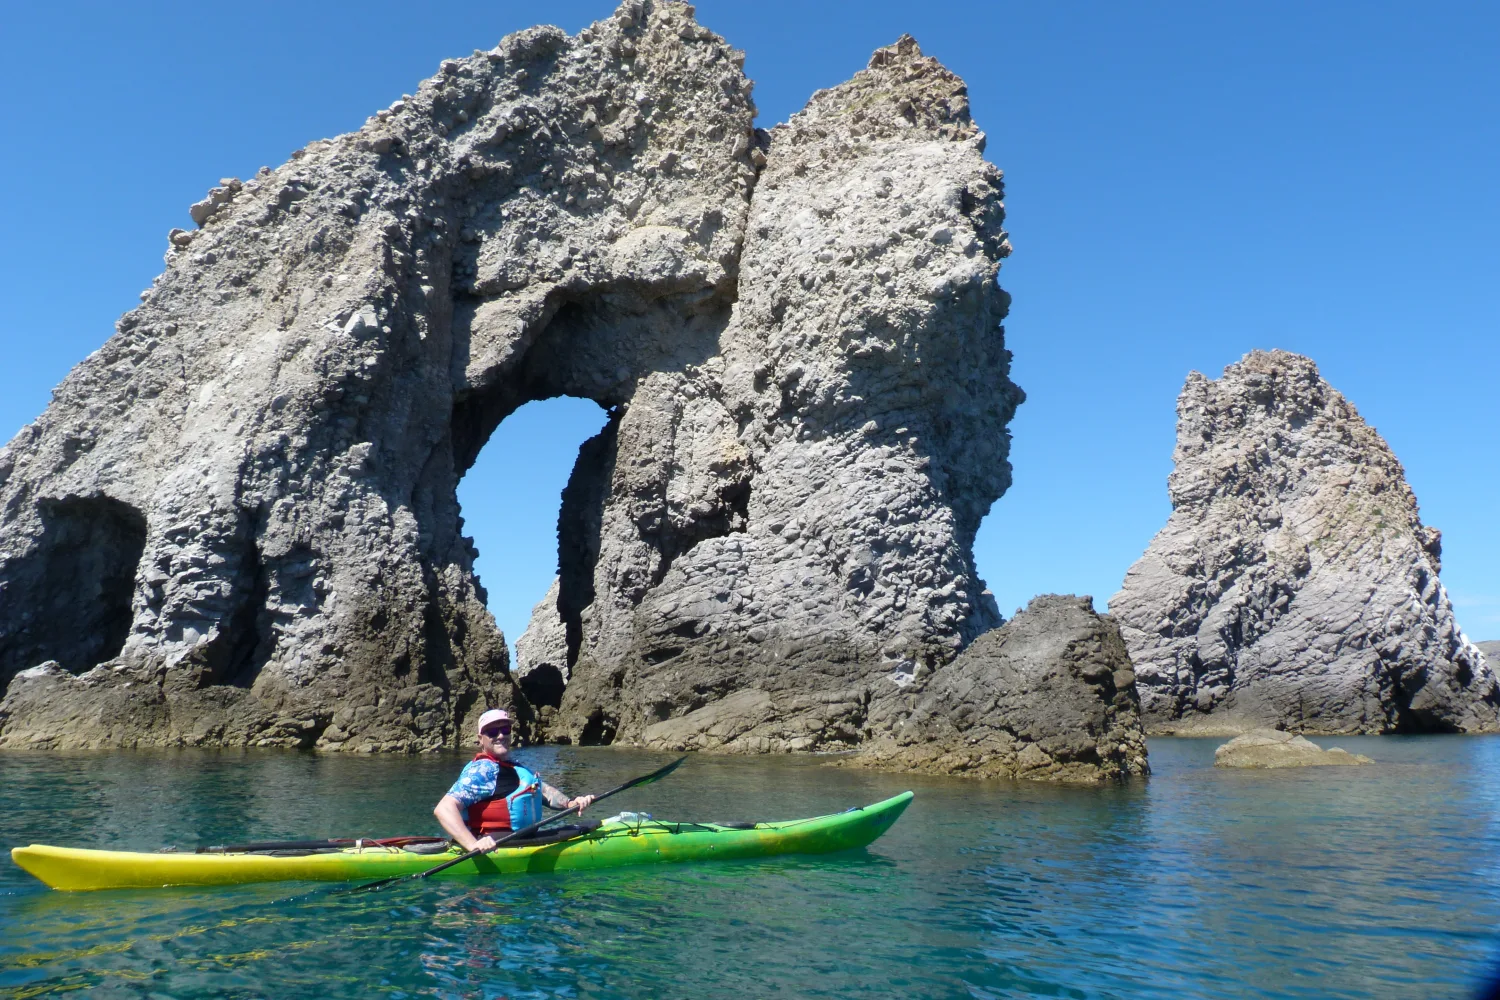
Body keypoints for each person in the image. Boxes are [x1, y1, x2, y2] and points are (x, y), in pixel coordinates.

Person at [433, 709, 595, 853]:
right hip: (495, 847)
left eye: (505, 729)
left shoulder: (514, 766)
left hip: (524, 839)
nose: (501, 736)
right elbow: (444, 808)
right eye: (492, 732)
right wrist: (473, 844)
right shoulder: (482, 771)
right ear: (480, 739)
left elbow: (542, 791)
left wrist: (571, 804)